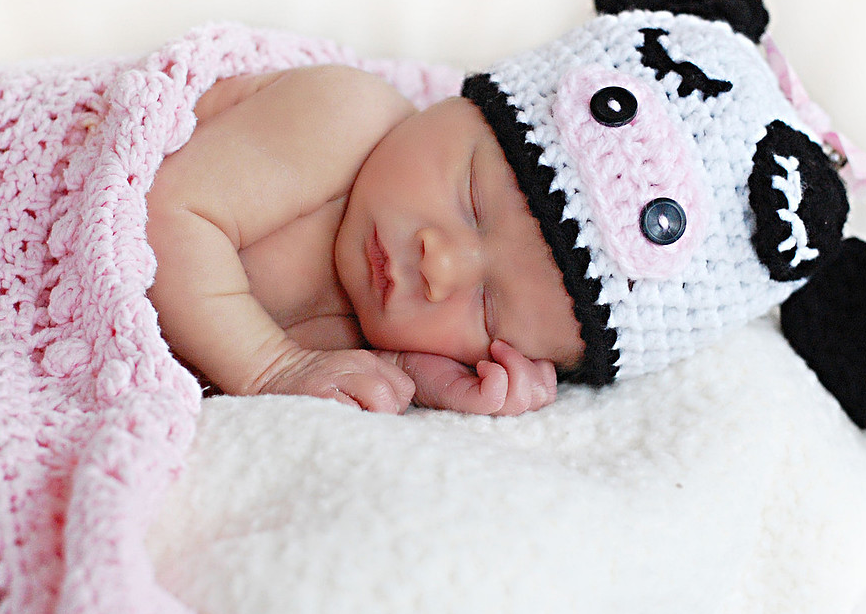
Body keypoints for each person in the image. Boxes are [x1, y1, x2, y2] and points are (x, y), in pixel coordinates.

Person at [145, 64, 585, 416]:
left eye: (488, 310)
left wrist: (425, 378)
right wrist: (271, 368)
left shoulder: (380, 321)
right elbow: (162, 216)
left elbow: (337, 369)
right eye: (472, 201)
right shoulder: (347, 116)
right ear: (460, 105)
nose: (439, 267)